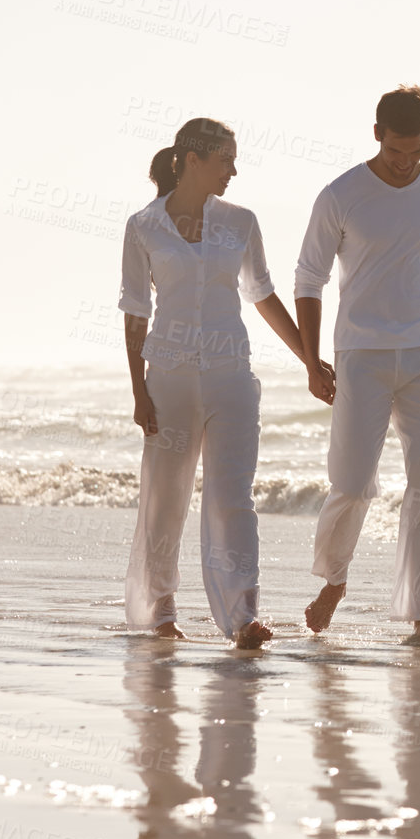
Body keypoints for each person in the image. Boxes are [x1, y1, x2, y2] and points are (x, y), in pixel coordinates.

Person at [294, 85, 420, 647]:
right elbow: (308, 279)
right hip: (362, 356)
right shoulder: (341, 195)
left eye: (417, 152)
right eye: (396, 151)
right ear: (377, 133)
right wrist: (311, 360)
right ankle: (333, 580)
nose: (405, 163)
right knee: (354, 485)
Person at [119, 117, 330, 649]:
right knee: (165, 498)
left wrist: (310, 359)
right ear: (193, 160)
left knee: (231, 498)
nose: (233, 170)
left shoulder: (240, 222)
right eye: (225, 160)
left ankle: (243, 616)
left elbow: (262, 296)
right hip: (167, 378)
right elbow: (135, 312)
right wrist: (139, 389)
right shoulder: (143, 226)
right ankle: (162, 610)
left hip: (231, 374)